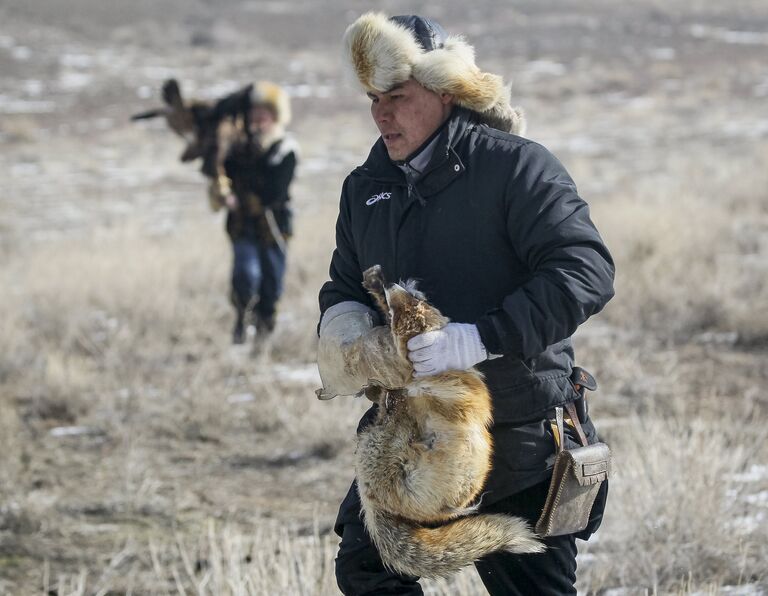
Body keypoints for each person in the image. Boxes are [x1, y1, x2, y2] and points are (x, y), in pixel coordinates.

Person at [316, 13, 615, 595]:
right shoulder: (365, 189)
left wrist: (480, 337)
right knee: (367, 570)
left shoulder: (516, 167)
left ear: (444, 91)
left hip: (520, 433)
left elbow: (586, 270)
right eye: (373, 98)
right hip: (409, 437)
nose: (381, 113)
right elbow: (343, 290)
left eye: (397, 96)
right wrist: (360, 346)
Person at [208, 81, 298, 344]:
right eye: (254, 113)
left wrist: (246, 196)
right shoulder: (235, 148)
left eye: (264, 113)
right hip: (242, 225)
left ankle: (263, 336)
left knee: (272, 285)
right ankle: (241, 322)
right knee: (245, 276)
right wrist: (221, 188)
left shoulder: (285, 148)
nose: (258, 118)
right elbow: (225, 174)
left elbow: (275, 190)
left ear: (275, 115)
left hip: (274, 226)